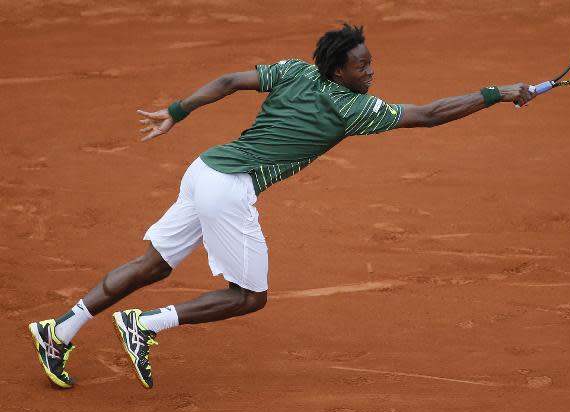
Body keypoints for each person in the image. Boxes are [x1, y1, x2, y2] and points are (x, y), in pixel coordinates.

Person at [28, 23, 534, 389]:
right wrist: (497, 93)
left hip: (203, 167)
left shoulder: (293, 70)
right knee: (249, 296)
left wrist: (177, 112)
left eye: (370, 63)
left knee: (154, 263)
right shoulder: (354, 108)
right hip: (229, 188)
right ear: (338, 69)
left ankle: (60, 330)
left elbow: (228, 83)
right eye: (362, 66)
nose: (371, 73)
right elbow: (429, 114)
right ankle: (145, 324)